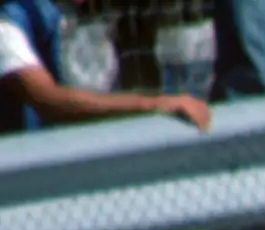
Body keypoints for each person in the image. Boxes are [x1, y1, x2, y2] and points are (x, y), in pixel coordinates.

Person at [0, 0, 215, 133]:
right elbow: (48, 100)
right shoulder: (13, 21)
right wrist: (155, 105)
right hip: (48, 176)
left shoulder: (128, 12)